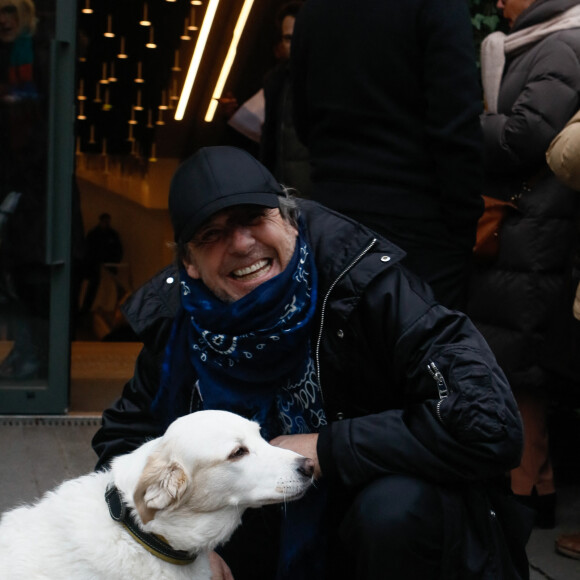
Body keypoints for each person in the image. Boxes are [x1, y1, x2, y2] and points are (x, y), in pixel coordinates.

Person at [92, 146, 530, 580]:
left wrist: (327, 448)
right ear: (188, 261)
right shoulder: (179, 320)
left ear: (289, 220)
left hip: (380, 536)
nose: (242, 244)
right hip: (258, 537)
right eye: (212, 234)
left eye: (253, 218)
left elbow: (488, 421)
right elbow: (123, 444)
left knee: (392, 509)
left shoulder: (367, 284)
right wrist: (182, 548)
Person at [290, 0, 483, 310]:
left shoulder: (314, 10)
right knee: (426, 353)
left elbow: (302, 119)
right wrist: (463, 226)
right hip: (419, 225)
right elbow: (456, 126)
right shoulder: (436, 7)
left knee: (338, 351)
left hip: (332, 215)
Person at [467, 0, 580, 529]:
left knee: (520, 363)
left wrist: (467, 123)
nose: (496, 4)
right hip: (528, 222)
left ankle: (522, 490)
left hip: (539, 224)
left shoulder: (561, 44)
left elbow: (525, 137)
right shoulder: (539, 44)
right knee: (520, 361)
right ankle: (536, 486)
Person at [0, 0, 50, 380]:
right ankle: (25, 350)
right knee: (11, 279)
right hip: (12, 183)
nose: (4, 19)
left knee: (30, 279)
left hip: (35, 189)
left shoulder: (42, 56)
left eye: (11, 10)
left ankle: (34, 354)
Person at [224, 1, 311, 194]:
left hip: (314, 192)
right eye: (288, 39)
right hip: (282, 189)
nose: (293, 44)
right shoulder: (275, 82)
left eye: (298, 36)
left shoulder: (322, 78)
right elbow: (269, 142)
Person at [80, 212, 123, 315]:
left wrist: (114, 262)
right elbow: (88, 250)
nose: (106, 223)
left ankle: (109, 308)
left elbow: (118, 250)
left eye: (107, 221)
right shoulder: (94, 234)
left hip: (109, 266)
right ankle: (87, 309)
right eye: (104, 221)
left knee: (109, 288)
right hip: (95, 265)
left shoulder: (112, 235)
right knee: (93, 288)